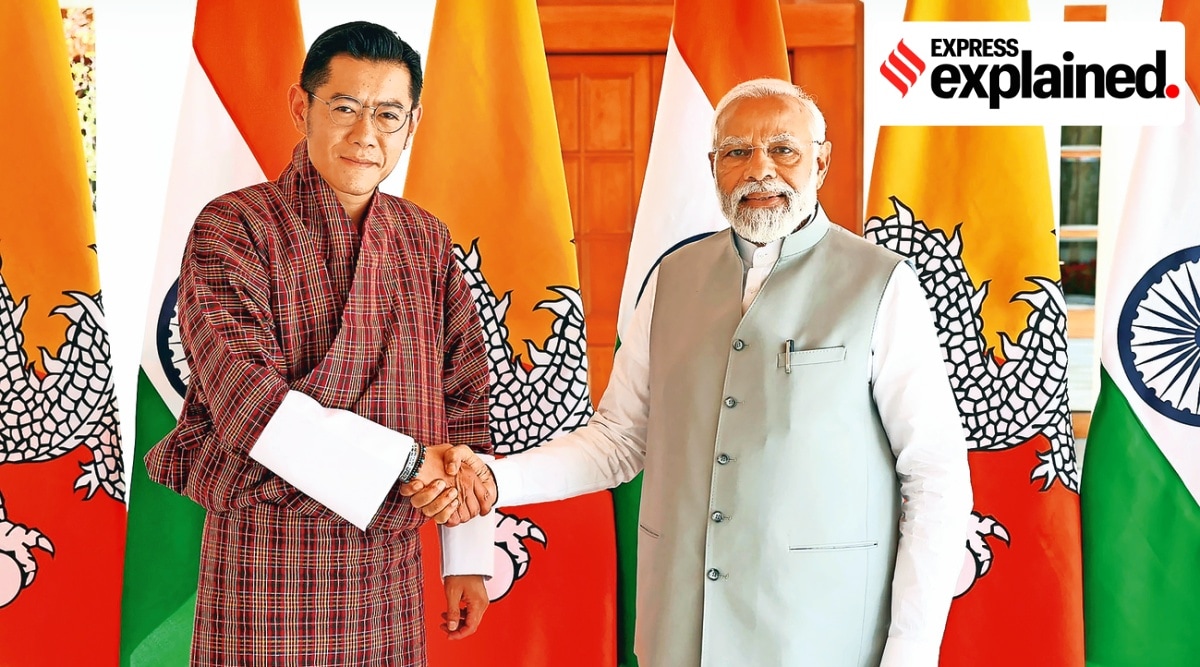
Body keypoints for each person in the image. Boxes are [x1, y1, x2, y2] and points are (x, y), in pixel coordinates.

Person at [409, 78, 974, 666]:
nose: (760, 171)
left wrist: (911, 650)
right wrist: (499, 482)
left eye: (784, 149)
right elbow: (619, 440)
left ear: (821, 161)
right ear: (712, 166)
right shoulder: (671, 279)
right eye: (736, 152)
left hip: (819, 636)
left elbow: (935, 476)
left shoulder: (880, 282)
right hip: (679, 631)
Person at [144, 21, 498, 666]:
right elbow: (245, 397)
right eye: (345, 107)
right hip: (262, 560)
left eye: (388, 114)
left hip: (385, 567)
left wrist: (466, 553)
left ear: (411, 124)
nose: (366, 135)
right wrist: (404, 464)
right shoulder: (234, 226)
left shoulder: (425, 240)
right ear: (300, 106)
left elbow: (466, 399)